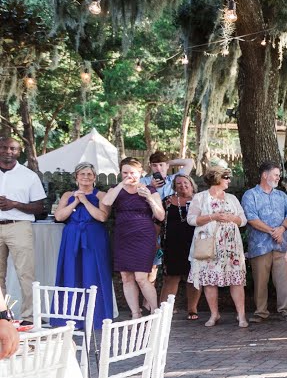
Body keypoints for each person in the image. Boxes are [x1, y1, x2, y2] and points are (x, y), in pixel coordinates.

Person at [101, 157, 165, 319]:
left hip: (143, 235)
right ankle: (135, 313)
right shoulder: (116, 189)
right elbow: (107, 202)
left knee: (141, 277)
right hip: (123, 236)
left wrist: (149, 199)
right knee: (126, 276)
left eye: (133, 173)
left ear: (141, 173)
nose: (129, 175)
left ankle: (155, 312)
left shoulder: (149, 189)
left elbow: (161, 216)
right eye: (125, 172)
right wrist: (121, 185)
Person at [52, 162, 113, 329]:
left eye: (89, 174)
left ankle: (96, 317)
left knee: (94, 273)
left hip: (94, 238)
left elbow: (102, 217)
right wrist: (74, 202)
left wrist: (85, 201)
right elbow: (59, 216)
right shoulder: (67, 195)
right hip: (72, 237)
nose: (86, 177)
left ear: (94, 177)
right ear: (76, 177)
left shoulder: (101, 195)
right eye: (82, 174)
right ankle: (71, 318)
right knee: (71, 272)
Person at [188, 168, 249, 328]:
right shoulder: (200, 197)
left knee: (236, 280)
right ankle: (214, 314)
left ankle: (241, 316)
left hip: (231, 245)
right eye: (226, 177)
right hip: (210, 245)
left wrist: (232, 218)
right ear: (216, 178)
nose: (229, 180)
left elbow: (243, 220)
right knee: (210, 281)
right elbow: (191, 219)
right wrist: (212, 217)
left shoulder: (232, 198)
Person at [0, 136, 47, 323]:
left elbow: (39, 207)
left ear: (19, 152)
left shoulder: (29, 176)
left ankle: (29, 317)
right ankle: (2, 316)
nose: (8, 152)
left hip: (18, 227)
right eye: (4, 148)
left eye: (13, 149)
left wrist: (14, 204)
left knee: (25, 273)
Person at [243, 161, 287, 323]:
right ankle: (260, 312)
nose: (278, 177)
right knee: (260, 281)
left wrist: (280, 229)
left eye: (279, 175)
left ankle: (286, 310)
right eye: (275, 174)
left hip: (281, 244)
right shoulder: (250, 195)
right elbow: (251, 218)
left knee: (283, 280)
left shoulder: (281, 196)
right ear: (265, 175)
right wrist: (272, 231)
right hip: (260, 246)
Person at [160, 174, 204, 320]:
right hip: (172, 244)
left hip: (196, 243)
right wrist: (155, 241)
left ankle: (192, 309)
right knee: (171, 277)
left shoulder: (201, 200)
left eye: (186, 182)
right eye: (178, 183)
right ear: (174, 186)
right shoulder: (167, 201)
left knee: (194, 277)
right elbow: (157, 221)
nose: (182, 185)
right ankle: (165, 310)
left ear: (192, 185)